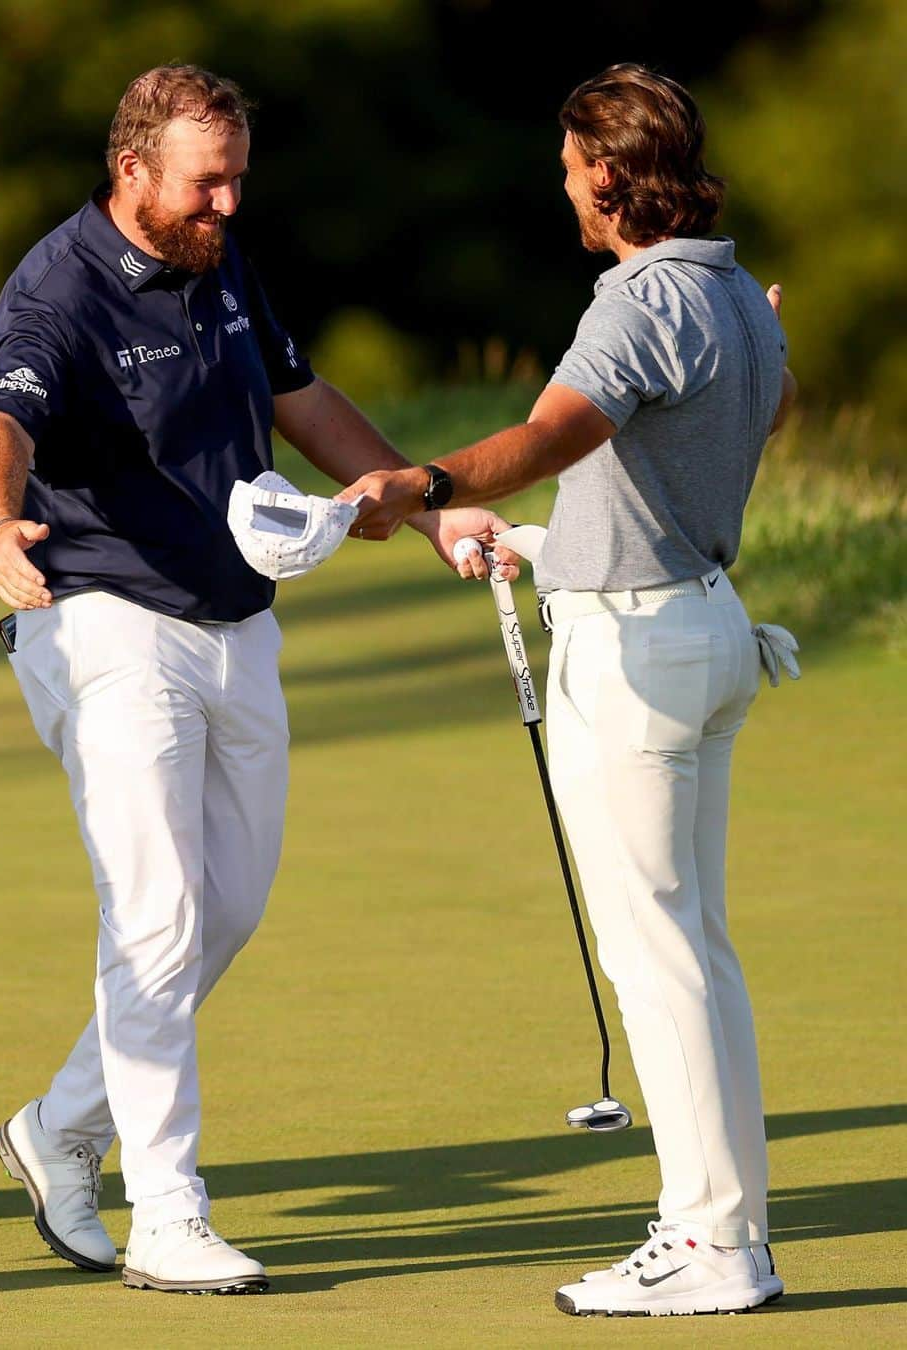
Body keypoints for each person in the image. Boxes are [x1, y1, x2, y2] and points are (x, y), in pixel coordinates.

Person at [0, 63, 500, 1296]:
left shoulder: (222, 266)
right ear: (133, 172)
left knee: (226, 910)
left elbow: (302, 397)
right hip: (101, 618)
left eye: (238, 181)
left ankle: (55, 1131)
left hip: (237, 619)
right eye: (208, 184)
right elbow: (2, 423)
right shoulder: (57, 288)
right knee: (154, 913)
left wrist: (426, 513)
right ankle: (167, 1208)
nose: (227, 205)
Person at [339, 63, 797, 1317]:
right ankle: (729, 1231)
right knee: (692, 949)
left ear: (607, 176)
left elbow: (548, 437)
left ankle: (712, 1246)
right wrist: (539, 544)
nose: (563, 192)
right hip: (697, 626)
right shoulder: (735, 295)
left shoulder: (636, 303)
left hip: (637, 662)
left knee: (659, 960)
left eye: (567, 172)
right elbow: (710, 445)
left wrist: (418, 486)